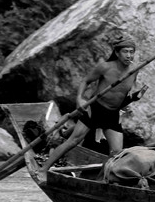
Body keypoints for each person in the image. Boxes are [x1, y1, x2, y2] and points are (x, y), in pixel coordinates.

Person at [38, 36, 147, 181]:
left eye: (132, 52)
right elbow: (86, 81)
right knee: (73, 141)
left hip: (112, 114)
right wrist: (79, 99)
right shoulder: (105, 67)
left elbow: (121, 95)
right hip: (95, 109)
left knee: (117, 153)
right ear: (117, 53)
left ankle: (103, 179)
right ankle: (44, 169)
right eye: (125, 52)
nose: (129, 55)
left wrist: (133, 97)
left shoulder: (134, 70)